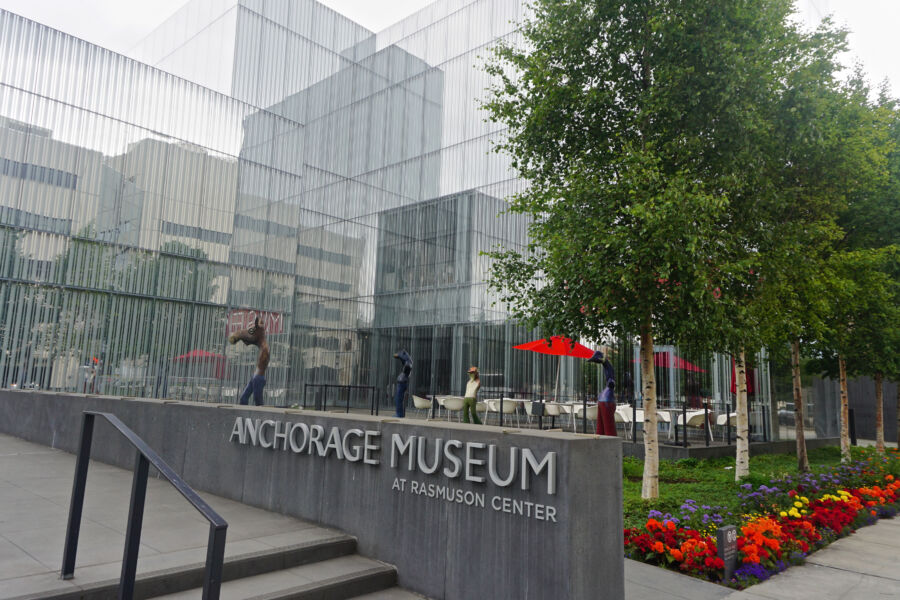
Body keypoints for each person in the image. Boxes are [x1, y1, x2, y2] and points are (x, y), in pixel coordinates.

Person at [229, 316, 269, 406]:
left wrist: (242, 336)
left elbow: (252, 338)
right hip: (256, 376)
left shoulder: (264, 347)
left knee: (258, 401)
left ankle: (260, 415)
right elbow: (251, 338)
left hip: (258, 378)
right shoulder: (261, 343)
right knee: (244, 398)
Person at [587, 350, 616, 436]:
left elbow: (611, 381)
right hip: (606, 401)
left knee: (603, 427)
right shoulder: (609, 371)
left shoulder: (610, 379)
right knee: (607, 427)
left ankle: (604, 443)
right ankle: (608, 443)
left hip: (604, 400)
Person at [393, 350, 412, 417]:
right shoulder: (407, 364)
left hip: (402, 383)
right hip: (401, 383)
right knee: (398, 399)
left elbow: (406, 365)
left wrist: (400, 355)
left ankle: (399, 414)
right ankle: (399, 413)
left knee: (399, 399)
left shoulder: (408, 364)